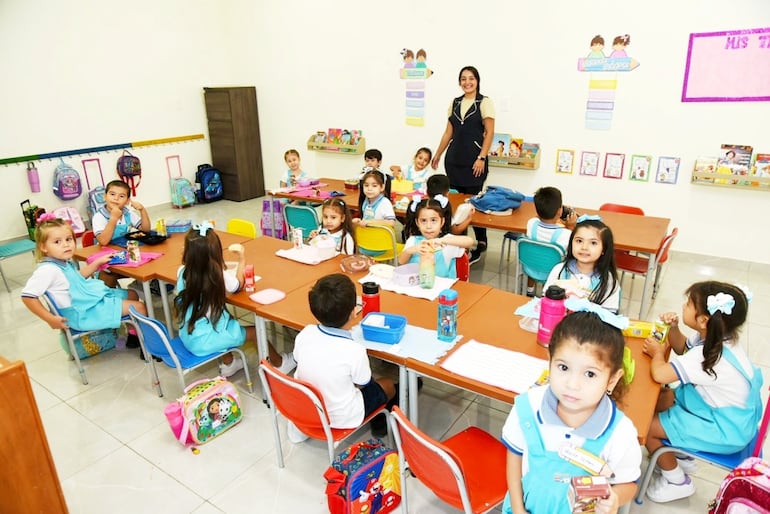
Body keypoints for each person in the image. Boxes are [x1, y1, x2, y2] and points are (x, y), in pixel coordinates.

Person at [502, 311, 641, 514]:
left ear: (612, 379)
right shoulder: (528, 407)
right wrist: (517, 508)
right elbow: (514, 455)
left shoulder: (620, 433)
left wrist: (616, 498)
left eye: (590, 373)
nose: (572, 384)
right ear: (550, 361)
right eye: (564, 367)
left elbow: (629, 483)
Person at [641, 282, 761, 503]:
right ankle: (680, 454)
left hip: (725, 431)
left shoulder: (710, 356)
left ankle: (676, 481)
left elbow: (659, 374)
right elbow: (682, 349)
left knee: (645, 425)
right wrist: (674, 329)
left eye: (688, 304)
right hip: (726, 416)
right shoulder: (718, 339)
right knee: (662, 398)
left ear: (703, 320)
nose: (683, 306)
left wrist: (658, 353)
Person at [174, 223, 295, 377]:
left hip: (188, 335)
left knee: (221, 319)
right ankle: (279, 364)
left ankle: (229, 363)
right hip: (205, 341)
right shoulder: (217, 274)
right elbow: (237, 285)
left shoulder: (182, 271)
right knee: (255, 331)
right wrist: (241, 258)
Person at [292, 273, 396, 441]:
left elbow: (298, 360)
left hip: (308, 407)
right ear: (354, 312)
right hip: (342, 418)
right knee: (387, 384)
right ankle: (380, 424)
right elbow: (363, 384)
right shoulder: (355, 350)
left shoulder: (305, 333)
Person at [21, 216, 147, 332]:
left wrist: (97, 263)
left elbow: (76, 278)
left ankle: (133, 334)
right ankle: (148, 348)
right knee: (140, 307)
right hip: (82, 313)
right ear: (43, 247)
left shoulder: (61, 263)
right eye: (57, 242)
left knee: (132, 294)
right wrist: (50, 318)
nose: (65, 245)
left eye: (69, 239)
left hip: (86, 303)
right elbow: (28, 296)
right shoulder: (48, 270)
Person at [431, 66, 495, 265]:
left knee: (474, 201)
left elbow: (490, 132)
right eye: (463, 79)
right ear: (460, 82)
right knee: (457, 203)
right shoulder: (455, 102)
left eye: (471, 78)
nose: (467, 82)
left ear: (477, 80)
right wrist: (438, 154)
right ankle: (462, 244)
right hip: (454, 160)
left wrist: (481, 157)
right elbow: (448, 132)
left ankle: (481, 241)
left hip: (475, 161)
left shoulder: (484, 102)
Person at [544, 216, 620, 312]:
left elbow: (609, 316)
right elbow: (546, 301)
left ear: (604, 249)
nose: (584, 247)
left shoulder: (608, 280)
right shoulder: (559, 270)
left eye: (593, 243)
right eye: (579, 241)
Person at [399, 198, 474, 278]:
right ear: (417, 223)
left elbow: (469, 241)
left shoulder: (447, 242)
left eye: (433, 220)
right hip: (415, 287)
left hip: (442, 288)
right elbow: (401, 261)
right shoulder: (413, 240)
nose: (428, 226)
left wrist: (441, 240)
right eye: (423, 221)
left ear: (442, 221)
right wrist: (410, 250)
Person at [524, 187, 577, 296]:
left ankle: (529, 291)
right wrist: (570, 226)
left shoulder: (531, 223)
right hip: (553, 273)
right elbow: (572, 243)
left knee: (536, 251)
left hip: (530, 267)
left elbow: (538, 218)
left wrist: (552, 215)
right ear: (559, 211)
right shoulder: (565, 234)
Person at [92, 180, 151, 246]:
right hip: (105, 252)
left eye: (121, 196)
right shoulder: (99, 216)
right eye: (112, 194)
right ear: (105, 196)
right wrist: (114, 218)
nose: (116, 198)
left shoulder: (127, 213)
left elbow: (146, 230)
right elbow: (103, 242)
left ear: (127, 201)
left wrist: (142, 210)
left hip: (124, 248)